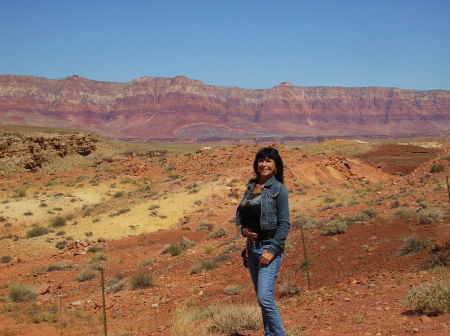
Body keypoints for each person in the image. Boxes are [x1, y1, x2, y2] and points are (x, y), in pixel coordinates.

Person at [236, 147, 290, 336]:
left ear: (276, 166)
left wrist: (273, 249)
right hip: (252, 250)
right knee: (262, 300)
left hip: (269, 248)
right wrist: (244, 231)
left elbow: (285, 223)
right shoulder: (251, 188)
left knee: (265, 298)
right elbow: (242, 217)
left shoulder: (279, 189)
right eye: (261, 160)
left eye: (269, 161)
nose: (264, 164)